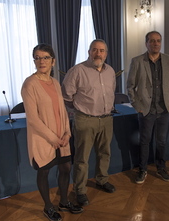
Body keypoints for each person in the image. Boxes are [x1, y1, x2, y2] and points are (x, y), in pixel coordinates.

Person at [21, 43, 83, 221]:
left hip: (61, 138)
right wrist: (53, 138)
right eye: (37, 57)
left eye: (45, 57)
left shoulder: (55, 82)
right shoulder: (29, 84)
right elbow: (32, 119)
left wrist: (66, 133)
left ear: (53, 61)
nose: (41, 61)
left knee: (65, 168)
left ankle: (63, 202)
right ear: (34, 61)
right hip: (43, 139)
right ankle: (48, 207)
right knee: (44, 171)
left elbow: (62, 111)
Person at [62, 39, 116, 206]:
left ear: (106, 54)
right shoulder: (77, 70)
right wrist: (81, 109)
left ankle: (101, 180)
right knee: (82, 158)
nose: (98, 53)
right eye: (94, 50)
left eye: (101, 50)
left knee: (104, 154)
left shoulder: (111, 71)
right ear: (89, 52)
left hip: (106, 119)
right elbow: (66, 96)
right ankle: (80, 190)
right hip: (85, 120)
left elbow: (111, 92)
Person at [127, 31, 169, 184]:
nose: (156, 43)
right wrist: (137, 106)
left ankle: (161, 168)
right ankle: (143, 170)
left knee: (162, 141)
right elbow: (130, 86)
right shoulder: (137, 61)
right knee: (145, 141)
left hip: (164, 109)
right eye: (152, 41)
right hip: (146, 109)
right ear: (146, 43)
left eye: (158, 41)